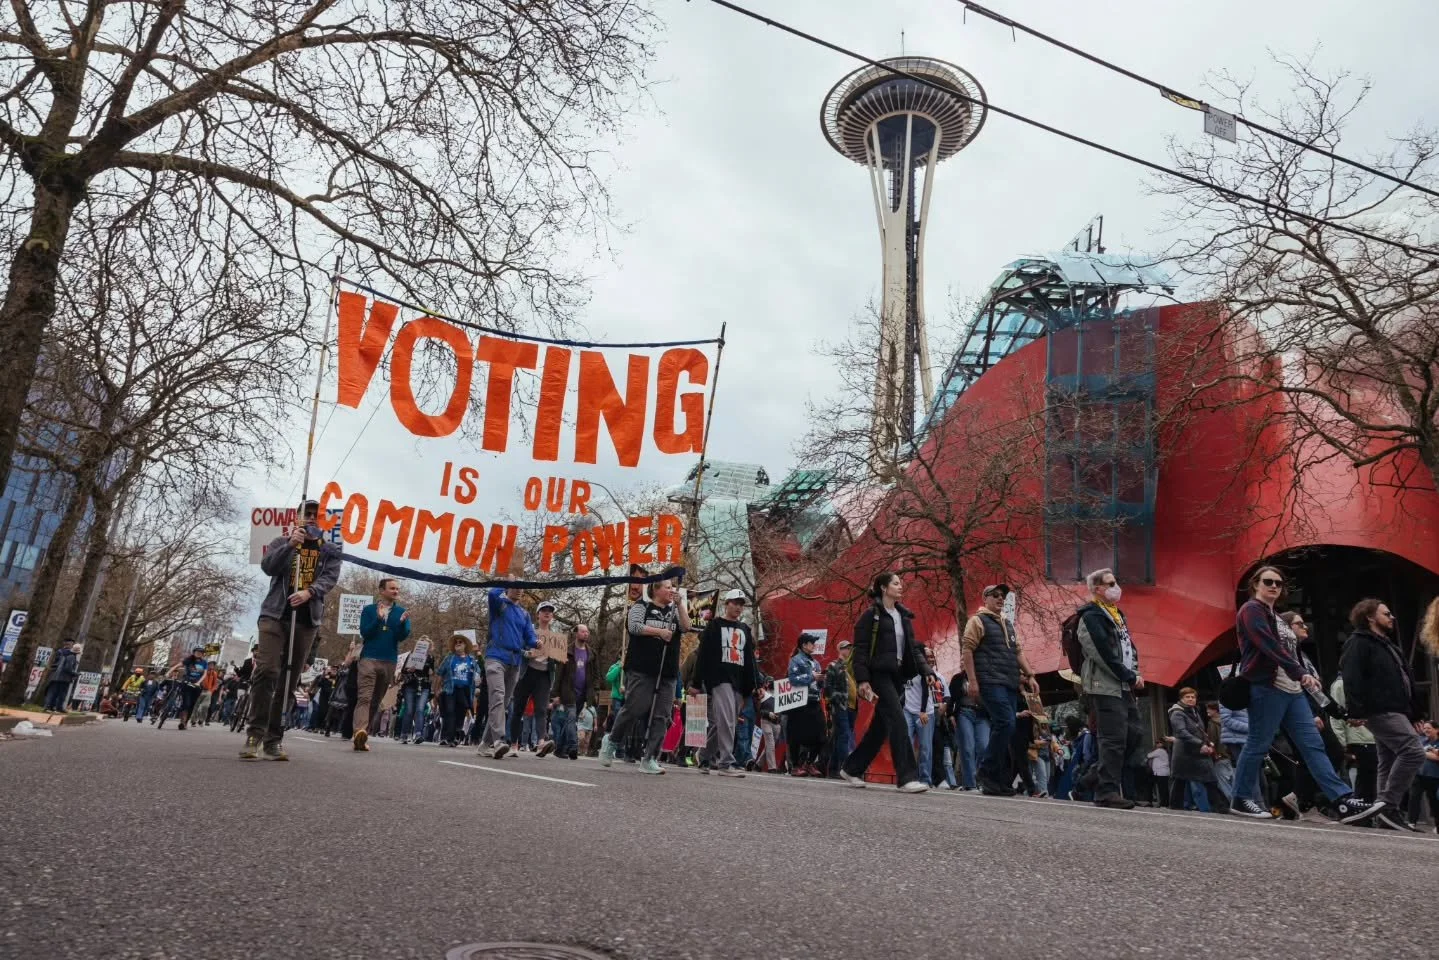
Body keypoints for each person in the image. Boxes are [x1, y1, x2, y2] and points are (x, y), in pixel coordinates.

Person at [1228, 565, 1382, 824]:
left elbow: (1291, 652)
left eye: (1278, 583)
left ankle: (1341, 800)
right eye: (1268, 582)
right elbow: (1268, 646)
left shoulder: (1274, 615)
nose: (1274, 586)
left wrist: (1321, 697)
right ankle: (1241, 798)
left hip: (1293, 691)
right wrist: (1299, 672)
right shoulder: (1251, 610)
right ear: (1255, 584)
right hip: (1267, 687)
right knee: (1258, 743)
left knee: (1313, 745)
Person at [241, 499, 343, 761]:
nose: (311, 518)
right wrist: (290, 546)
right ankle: (254, 732)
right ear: (296, 518)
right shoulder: (281, 542)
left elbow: (329, 578)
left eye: (315, 515)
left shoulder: (330, 549)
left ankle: (273, 739)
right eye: (306, 514)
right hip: (274, 615)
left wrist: (310, 592)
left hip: (306, 620)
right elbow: (268, 567)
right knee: (267, 670)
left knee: (289, 677)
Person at [838, 572, 935, 794]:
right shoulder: (870, 616)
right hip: (879, 675)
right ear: (883, 587)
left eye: (901, 583)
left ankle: (852, 768)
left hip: (897, 677)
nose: (901, 587)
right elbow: (860, 651)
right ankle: (907, 777)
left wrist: (926, 670)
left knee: (879, 729)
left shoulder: (903, 617)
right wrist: (863, 680)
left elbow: (913, 649)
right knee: (899, 722)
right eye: (896, 583)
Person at [1340, 598, 1425, 832]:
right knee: (1413, 751)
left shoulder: (1387, 645)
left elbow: (1405, 680)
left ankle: (1386, 815)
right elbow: (1352, 677)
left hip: (1396, 709)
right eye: (1386, 614)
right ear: (1370, 617)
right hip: (1380, 709)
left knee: (1387, 758)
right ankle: (1387, 805)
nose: (1392, 617)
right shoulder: (1358, 643)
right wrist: (1355, 710)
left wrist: (1416, 713)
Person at [600, 579, 691, 775]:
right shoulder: (641, 606)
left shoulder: (674, 610)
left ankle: (650, 757)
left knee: (662, 715)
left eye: (673, 587)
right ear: (655, 589)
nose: (671, 590)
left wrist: (681, 605)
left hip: (667, 671)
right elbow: (633, 627)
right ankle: (612, 740)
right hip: (642, 668)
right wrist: (658, 632)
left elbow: (686, 626)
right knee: (635, 707)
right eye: (667, 587)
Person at [1075, 568, 1145, 809]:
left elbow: (1127, 647)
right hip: (1104, 685)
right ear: (1097, 589)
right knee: (1113, 738)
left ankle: (1091, 778)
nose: (1117, 587)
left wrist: (1134, 672)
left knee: (1133, 734)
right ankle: (1106, 791)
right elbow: (1101, 651)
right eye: (1110, 583)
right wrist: (1126, 674)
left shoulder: (1117, 615)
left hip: (1123, 684)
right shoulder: (1091, 616)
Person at [962, 584, 1040, 796]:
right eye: (995, 595)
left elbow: (1017, 652)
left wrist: (1030, 676)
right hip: (989, 681)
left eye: (1002, 596)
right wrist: (972, 680)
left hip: (1009, 683)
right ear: (984, 598)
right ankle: (987, 772)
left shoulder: (1008, 624)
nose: (1000, 598)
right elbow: (967, 649)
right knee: (1006, 723)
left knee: (1007, 727)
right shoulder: (977, 621)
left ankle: (998, 779)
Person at [694, 589, 758, 777]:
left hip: (739, 682)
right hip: (719, 679)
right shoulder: (713, 626)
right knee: (728, 720)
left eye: (741, 604)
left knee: (724, 722)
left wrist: (754, 686)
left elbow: (749, 660)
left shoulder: (744, 629)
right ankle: (726, 763)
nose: (738, 607)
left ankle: (704, 754)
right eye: (734, 603)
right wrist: (696, 683)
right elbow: (702, 656)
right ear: (726, 604)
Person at [349, 578, 410, 752]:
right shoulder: (369, 610)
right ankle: (358, 731)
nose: (396, 591)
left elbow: (401, 636)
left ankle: (363, 735)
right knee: (365, 697)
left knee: (376, 700)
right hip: (369, 658)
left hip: (389, 660)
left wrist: (403, 624)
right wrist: (378, 619)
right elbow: (365, 632)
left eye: (397, 589)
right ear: (382, 590)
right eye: (392, 588)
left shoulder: (401, 612)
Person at [478, 586, 539, 759]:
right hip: (495, 657)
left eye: (521, 587)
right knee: (497, 696)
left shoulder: (524, 614)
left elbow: (529, 636)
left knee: (502, 704)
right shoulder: (499, 604)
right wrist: (506, 581)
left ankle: (484, 744)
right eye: (515, 587)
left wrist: (536, 642)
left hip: (515, 662)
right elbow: (491, 593)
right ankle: (499, 741)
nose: (519, 590)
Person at [1166, 688, 1230, 813]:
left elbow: (1200, 731)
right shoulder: (1177, 713)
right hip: (1184, 752)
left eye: (1193, 697)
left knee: (1210, 779)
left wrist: (1207, 743)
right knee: (1180, 779)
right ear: (1181, 699)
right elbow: (1181, 732)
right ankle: (1175, 807)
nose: (1190, 699)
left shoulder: (1194, 711)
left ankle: (1220, 806)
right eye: (1187, 697)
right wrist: (1200, 744)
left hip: (1198, 752)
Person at [511, 600, 558, 758]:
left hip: (544, 675)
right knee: (518, 708)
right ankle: (513, 744)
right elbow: (517, 647)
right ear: (538, 614)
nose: (547, 613)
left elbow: (558, 658)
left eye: (550, 611)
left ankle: (541, 743)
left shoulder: (555, 635)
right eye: (543, 610)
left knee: (542, 709)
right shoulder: (528, 629)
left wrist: (558, 657)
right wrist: (527, 653)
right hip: (526, 672)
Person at [786, 632, 826, 777]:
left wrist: (821, 679)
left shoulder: (816, 663)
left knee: (821, 735)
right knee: (796, 735)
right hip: (799, 703)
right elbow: (792, 679)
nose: (814, 645)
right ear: (804, 645)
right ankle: (795, 766)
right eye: (811, 643)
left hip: (814, 700)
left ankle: (809, 763)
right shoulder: (795, 660)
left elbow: (820, 684)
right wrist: (812, 676)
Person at [902, 645, 939, 787]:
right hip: (908, 711)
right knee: (907, 745)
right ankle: (909, 777)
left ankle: (925, 779)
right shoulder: (905, 670)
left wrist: (923, 711)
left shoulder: (923, 670)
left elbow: (925, 691)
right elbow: (902, 689)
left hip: (925, 711)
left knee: (925, 747)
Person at [948, 667, 988, 791]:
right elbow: (951, 698)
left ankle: (979, 778)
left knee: (984, 747)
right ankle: (970, 783)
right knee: (967, 748)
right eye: (962, 660)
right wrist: (950, 715)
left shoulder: (984, 676)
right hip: (965, 712)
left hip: (982, 715)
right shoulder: (958, 678)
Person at [435, 634, 477, 747]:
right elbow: (440, 673)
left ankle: (455, 736)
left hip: (464, 690)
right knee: (449, 711)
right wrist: (437, 689)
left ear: (465, 645)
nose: (458, 643)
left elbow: (477, 674)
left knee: (461, 712)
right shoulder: (449, 658)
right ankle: (447, 738)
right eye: (456, 642)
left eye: (460, 642)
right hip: (450, 689)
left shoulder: (472, 660)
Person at [824, 639, 857, 777]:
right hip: (841, 706)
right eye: (845, 648)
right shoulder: (833, 666)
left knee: (839, 736)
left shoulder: (851, 667)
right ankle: (845, 768)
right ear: (840, 650)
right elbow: (828, 687)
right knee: (844, 736)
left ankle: (833, 769)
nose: (848, 650)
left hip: (852, 706)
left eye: (850, 648)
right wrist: (836, 700)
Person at [395, 640, 434, 743]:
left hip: (424, 686)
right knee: (409, 710)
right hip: (411, 685)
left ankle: (418, 734)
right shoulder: (411, 655)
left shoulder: (430, 658)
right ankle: (404, 734)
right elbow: (403, 671)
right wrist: (409, 670)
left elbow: (431, 673)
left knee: (420, 709)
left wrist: (431, 672)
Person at [167, 646, 208, 731]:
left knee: (192, 705)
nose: (198, 653)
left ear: (203, 654)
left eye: (200, 652)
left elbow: (204, 674)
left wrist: (199, 682)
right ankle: (182, 721)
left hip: (197, 685)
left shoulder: (204, 663)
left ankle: (186, 722)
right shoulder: (188, 660)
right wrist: (169, 672)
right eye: (197, 652)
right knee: (186, 703)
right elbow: (177, 666)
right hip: (187, 683)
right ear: (194, 652)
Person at [44, 639, 80, 713]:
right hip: (64, 677)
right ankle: (57, 707)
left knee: (53, 692)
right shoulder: (71, 655)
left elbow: (53, 663)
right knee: (61, 693)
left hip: (55, 675)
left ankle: (49, 706)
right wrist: (75, 673)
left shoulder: (59, 652)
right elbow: (68, 668)